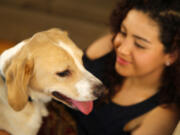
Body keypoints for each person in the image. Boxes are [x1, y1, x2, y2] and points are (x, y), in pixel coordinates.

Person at [69, 0, 180, 135]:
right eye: (123, 32)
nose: (122, 49)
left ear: (172, 55)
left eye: (139, 44)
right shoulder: (106, 49)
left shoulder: (161, 116)